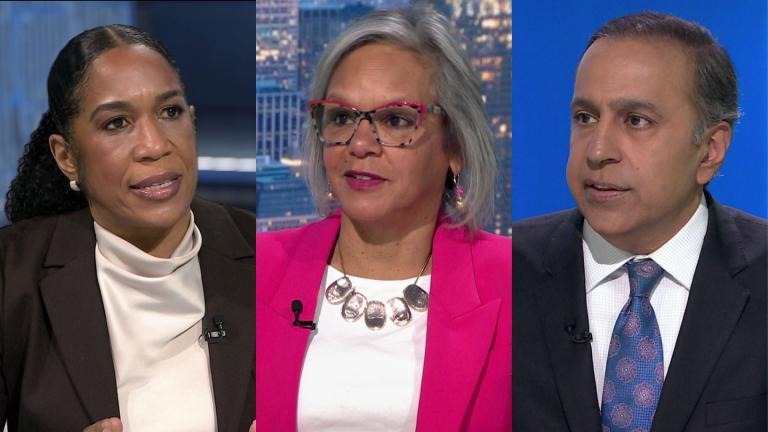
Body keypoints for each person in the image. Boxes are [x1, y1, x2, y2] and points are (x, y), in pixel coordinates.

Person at [256, 5, 511, 431]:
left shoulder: (516, 279)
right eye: (341, 117)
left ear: (456, 147)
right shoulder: (258, 265)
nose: (359, 144)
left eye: (395, 120)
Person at [513, 12, 766, 431]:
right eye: (585, 118)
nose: (597, 150)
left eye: (636, 121)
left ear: (710, 150)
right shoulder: (504, 273)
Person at [0, 25, 254, 431]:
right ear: (66, 157)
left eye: (170, 112)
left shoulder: (267, 257)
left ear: (193, 121)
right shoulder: (12, 277)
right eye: (117, 123)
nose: (154, 145)